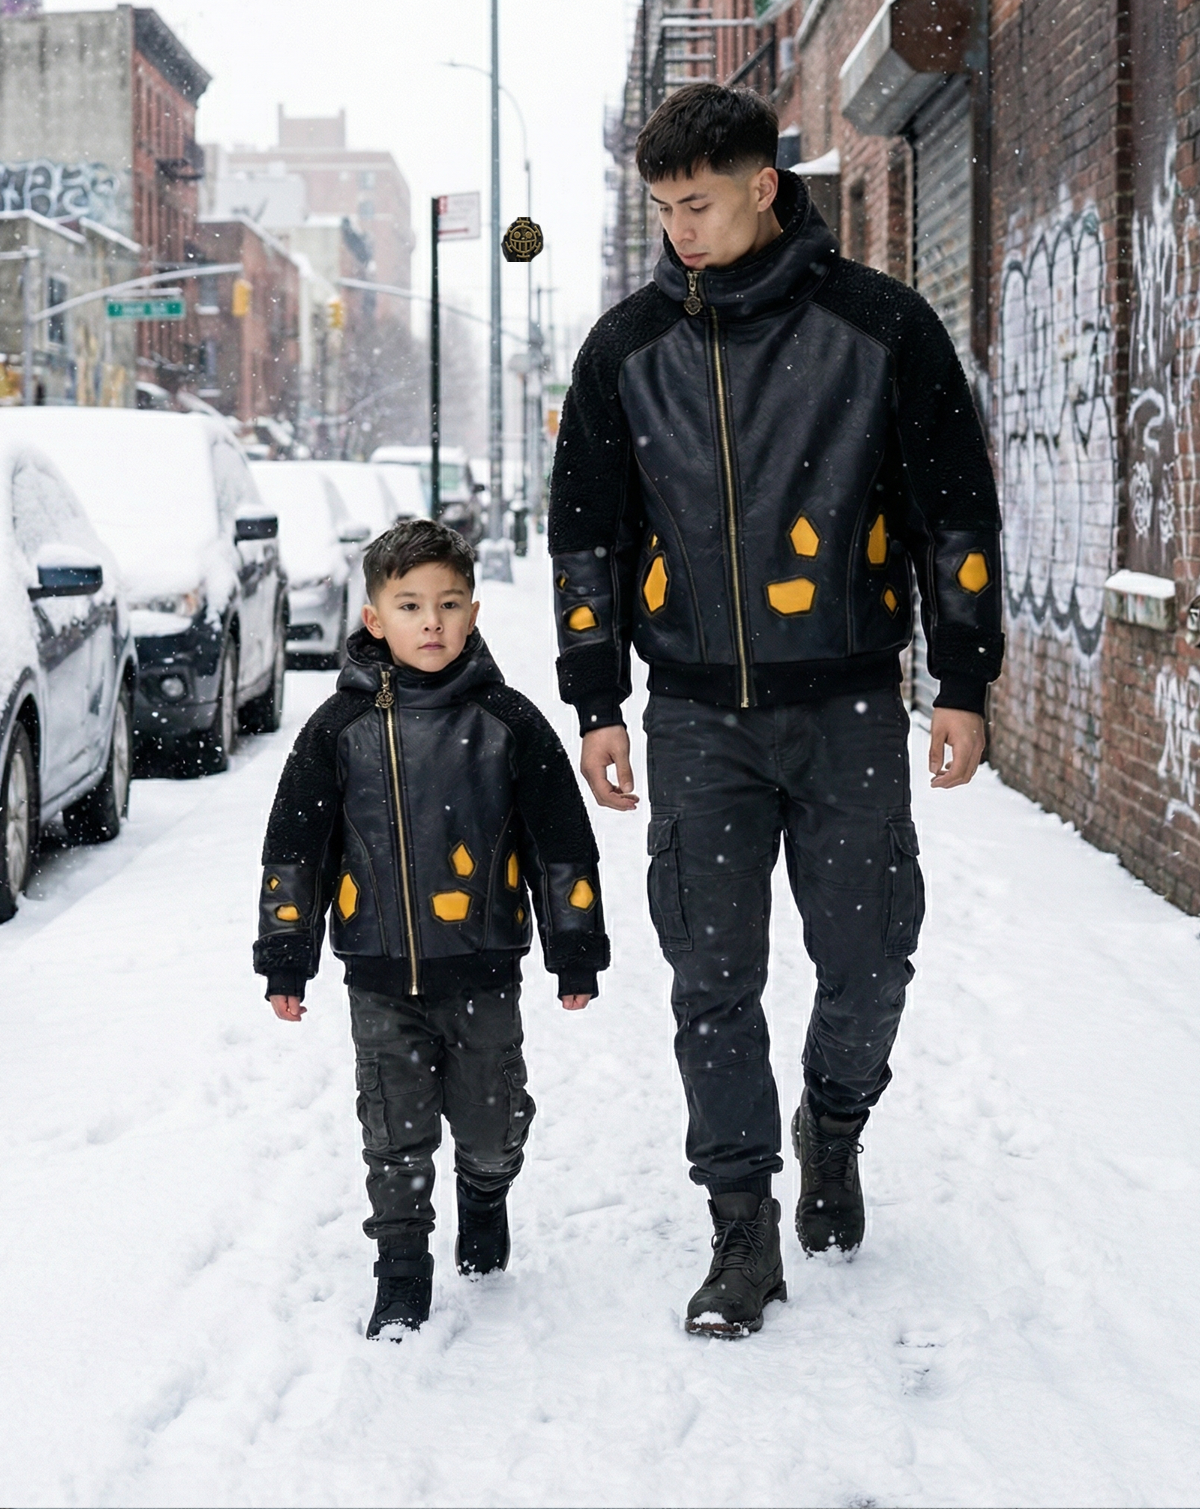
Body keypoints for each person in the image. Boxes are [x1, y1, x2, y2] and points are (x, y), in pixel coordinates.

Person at [549, 82, 1002, 1339]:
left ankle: (835, 1122)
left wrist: (963, 680)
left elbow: (952, 513)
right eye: (661, 209)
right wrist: (597, 699)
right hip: (697, 716)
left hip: (850, 703)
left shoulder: (882, 328)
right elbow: (585, 539)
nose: (678, 229)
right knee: (713, 978)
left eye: (697, 202)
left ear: (764, 184)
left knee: (870, 961)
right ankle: (741, 1230)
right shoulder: (624, 351)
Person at [254, 519, 608, 1340]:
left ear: (474, 612)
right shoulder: (334, 732)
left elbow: (560, 843)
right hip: (378, 973)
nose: (432, 622)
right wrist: (285, 959)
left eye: (449, 604)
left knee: (489, 1125)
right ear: (374, 617)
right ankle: (402, 1269)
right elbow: (296, 851)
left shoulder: (509, 723)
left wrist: (575, 950)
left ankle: (485, 1195)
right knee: (393, 1134)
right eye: (410, 605)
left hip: (483, 968)